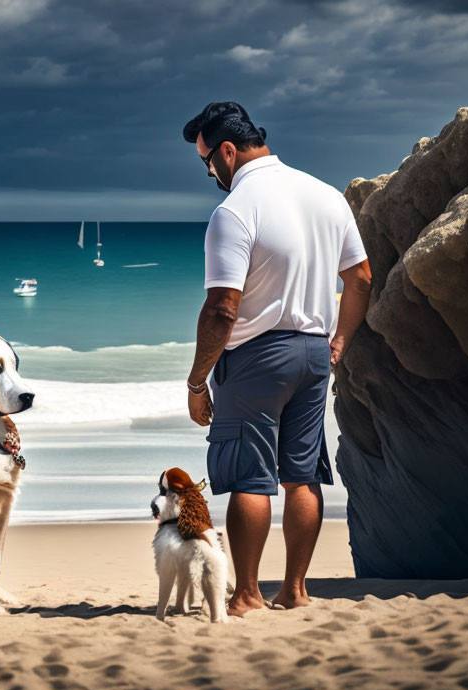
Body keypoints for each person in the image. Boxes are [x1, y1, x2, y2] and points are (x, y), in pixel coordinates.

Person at [182, 102, 372, 616]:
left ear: (227, 150)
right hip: (313, 352)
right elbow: (360, 279)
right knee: (301, 476)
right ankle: (295, 590)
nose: (209, 173)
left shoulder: (236, 209)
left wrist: (197, 383)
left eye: (207, 161)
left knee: (250, 477)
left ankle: (246, 595)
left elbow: (222, 308)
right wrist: (339, 343)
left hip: (257, 357)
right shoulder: (326, 195)